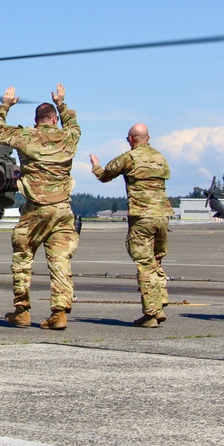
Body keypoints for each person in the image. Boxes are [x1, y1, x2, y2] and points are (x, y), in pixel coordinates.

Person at [0, 84, 80, 331]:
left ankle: (22, 311)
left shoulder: (26, 135)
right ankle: (59, 313)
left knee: (23, 258)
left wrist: (5, 105)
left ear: (36, 120)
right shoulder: (68, 137)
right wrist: (62, 103)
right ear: (54, 119)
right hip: (62, 211)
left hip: (36, 209)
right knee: (60, 262)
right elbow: (73, 126)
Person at [90, 124, 173, 328]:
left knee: (144, 264)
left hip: (142, 217)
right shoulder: (161, 157)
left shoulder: (129, 158)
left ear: (130, 139)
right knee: (156, 261)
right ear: (149, 137)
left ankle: (151, 312)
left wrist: (95, 165)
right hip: (162, 216)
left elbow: (105, 175)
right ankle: (160, 299)